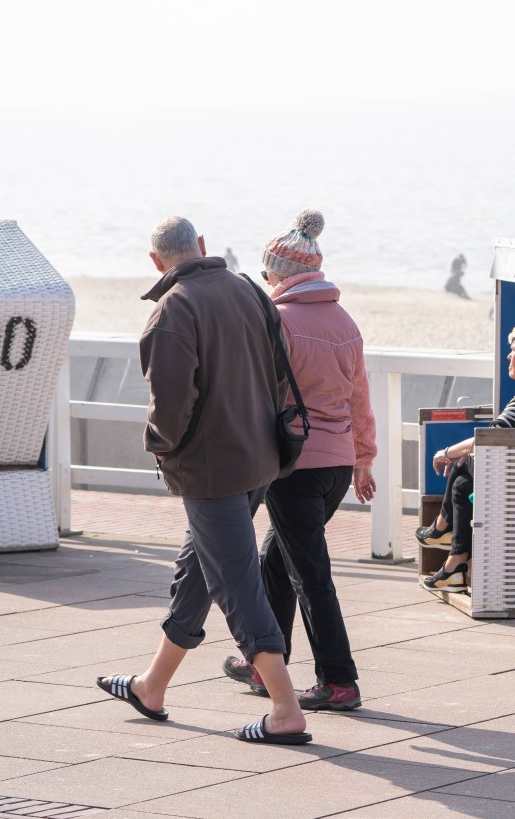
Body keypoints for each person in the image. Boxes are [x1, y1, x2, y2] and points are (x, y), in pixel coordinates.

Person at [95, 216, 312, 746]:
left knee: (235, 580)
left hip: (212, 470)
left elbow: (170, 406)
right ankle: (151, 686)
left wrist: (161, 448)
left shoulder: (174, 309)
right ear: (203, 247)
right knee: (198, 570)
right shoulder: (247, 290)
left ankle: (285, 711)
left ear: (156, 261)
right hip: (260, 458)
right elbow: (281, 371)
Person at [220, 209, 377, 712]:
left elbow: (258, 392)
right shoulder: (344, 320)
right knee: (277, 558)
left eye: (267, 272)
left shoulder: (279, 320)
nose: (265, 279)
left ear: (279, 272)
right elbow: (360, 399)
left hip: (294, 464)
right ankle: (265, 662)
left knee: (310, 575)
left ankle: (338, 680)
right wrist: (364, 458)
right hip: (334, 467)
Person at [415, 318, 515, 592]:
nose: (509, 356)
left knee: (463, 467)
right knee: (466, 477)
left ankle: (444, 531)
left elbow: (491, 437)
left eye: (514, 350)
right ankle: (453, 561)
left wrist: (447, 452)